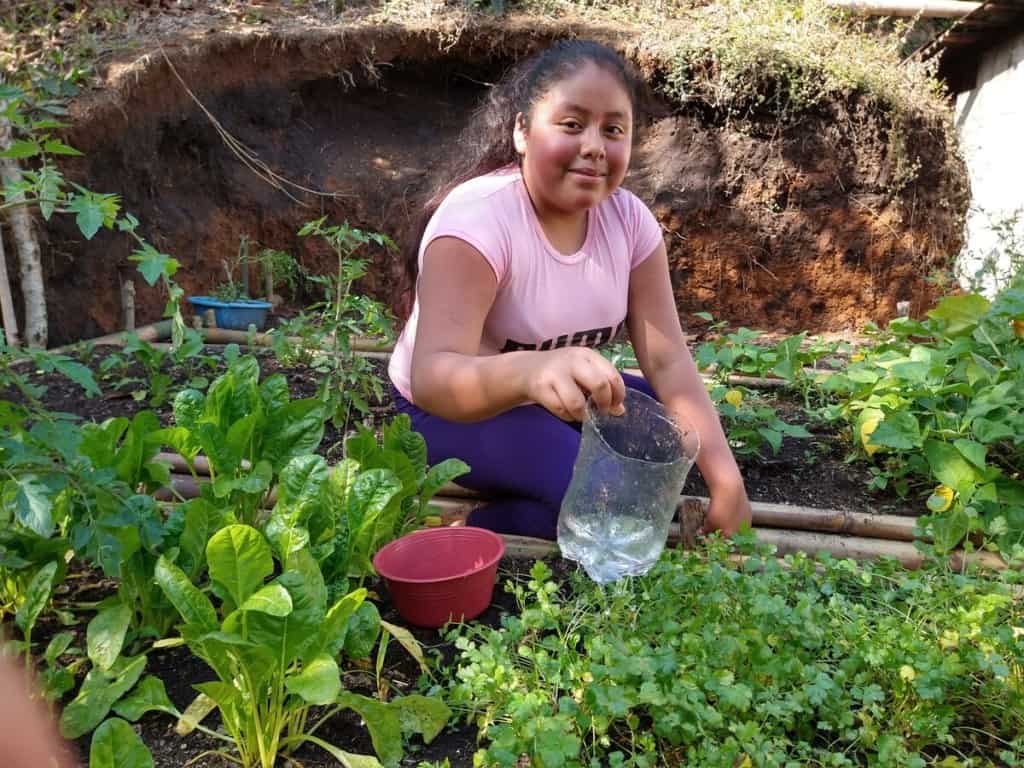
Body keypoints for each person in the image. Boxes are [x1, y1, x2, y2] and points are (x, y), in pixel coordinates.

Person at [388, 39, 751, 540]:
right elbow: (433, 378)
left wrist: (726, 480)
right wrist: (531, 370)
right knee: (612, 501)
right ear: (522, 130)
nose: (595, 147)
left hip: (552, 398)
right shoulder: (477, 223)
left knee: (675, 443)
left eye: (613, 130)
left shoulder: (629, 224)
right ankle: (471, 526)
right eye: (572, 124)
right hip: (443, 413)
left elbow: (668, 363)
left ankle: (541, 476)